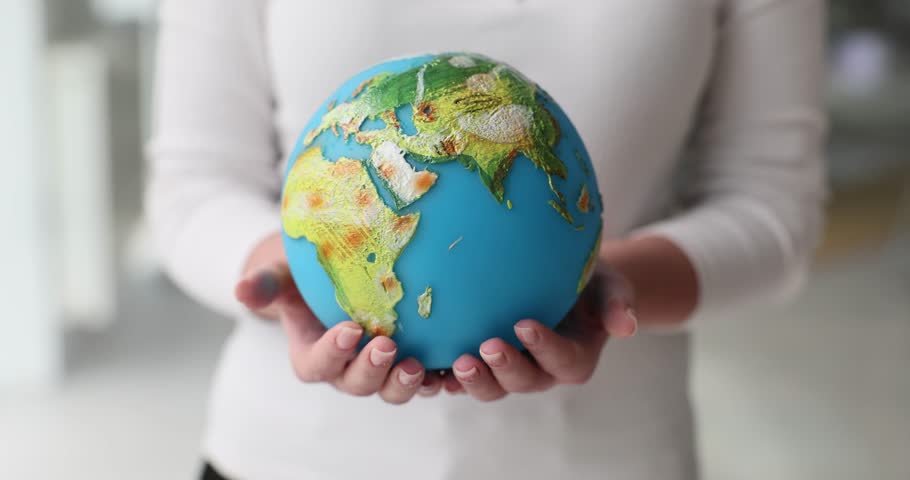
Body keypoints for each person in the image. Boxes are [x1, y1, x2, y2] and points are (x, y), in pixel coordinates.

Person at [146, 1, 827, 479]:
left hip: (611, 458)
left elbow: (771, 206)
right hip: (287, 457)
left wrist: (613, 287)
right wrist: (297, 269)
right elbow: (192, 186)